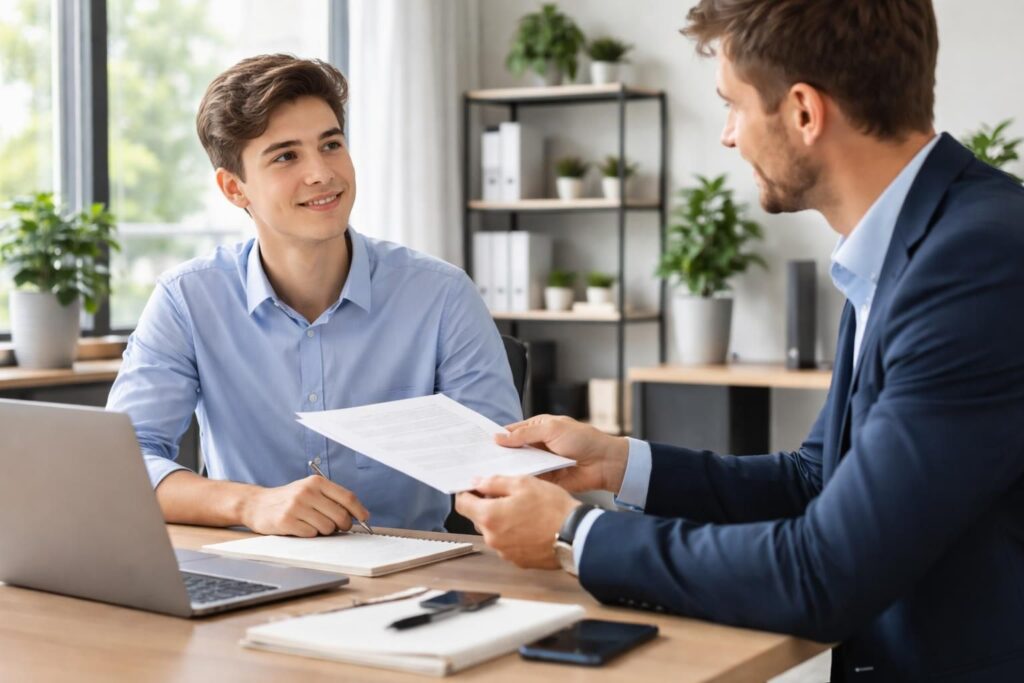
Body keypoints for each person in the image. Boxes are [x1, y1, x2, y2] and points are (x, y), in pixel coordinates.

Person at [456, 1, 1024, 680]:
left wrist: (575, 534)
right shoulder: (911, 242)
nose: (728, 135)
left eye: (733, 105)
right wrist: (618, 462)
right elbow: (816, 480)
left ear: (804, 112)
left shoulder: (975, 262)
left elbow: (825, 572)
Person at [107, 54, 521, 537]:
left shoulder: (442, 296)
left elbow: (502, 473)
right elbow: (124, 463)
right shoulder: (187, 300)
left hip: (409, 578)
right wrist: (251, 505)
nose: (322, 172)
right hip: (250, 574)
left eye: (331, 145)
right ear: (234, 188)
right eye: (286, 156)